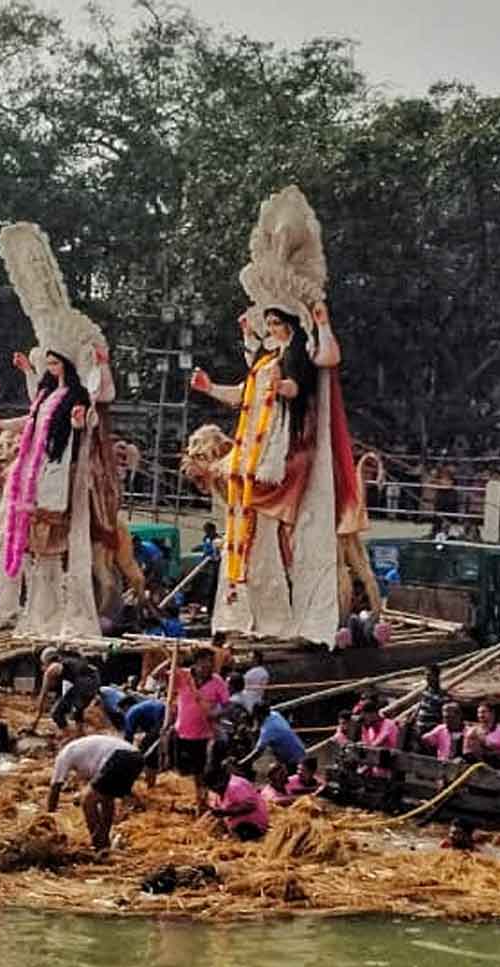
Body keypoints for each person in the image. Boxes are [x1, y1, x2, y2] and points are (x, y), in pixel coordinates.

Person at [185, 188, 377, 644]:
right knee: (247, 542)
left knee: (264, 544)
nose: (270, 332)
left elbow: (323, 362)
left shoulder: (294, 360)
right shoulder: (261, 365)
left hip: (279, 460)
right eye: (267, 326)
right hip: (248, 459)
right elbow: (243, 400)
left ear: (289, 329)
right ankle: (244, 615)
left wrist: (321, 324)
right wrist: (210, 388)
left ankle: (277, 618)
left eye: (277, 327)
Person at [0, 221, 121, 637]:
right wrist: (0, 420)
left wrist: (98, 372)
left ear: (67, 365)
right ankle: (34, 610)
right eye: (47, 364)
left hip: (60, 476)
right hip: (31, 475)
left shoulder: (76, 397)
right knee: (34, 551)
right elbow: (31, 421)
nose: (50, 369)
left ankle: (62, 612)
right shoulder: (45, 395)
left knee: (53, 548)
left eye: (55, 364)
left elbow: (97, 403)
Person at [150, 649, 230, 810]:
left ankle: (201, 805)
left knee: (200, 773)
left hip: (203, 735)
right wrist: (173, 659)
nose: (207, 665)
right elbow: (155, 675)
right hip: (181, 732)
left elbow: (227, 705)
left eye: (210, 662)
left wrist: (216, 714)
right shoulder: (182, 675)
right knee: (175, 767)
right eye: (204, 661)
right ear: (196, 662)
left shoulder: (217, 682)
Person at [47, 734, 144, 852]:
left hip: (120, 756)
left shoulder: (63, 755)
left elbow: (55, 788)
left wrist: (47, 818)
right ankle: (104, 840)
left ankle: (97, 841)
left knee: (87, 801)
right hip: (136, 758)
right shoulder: (84, 752)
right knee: (107, 799)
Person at [32, 648, 101, 733]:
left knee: (56, 713)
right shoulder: (69, 661)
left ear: (45, 661)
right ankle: (80, 733)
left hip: (85, 684)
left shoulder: (52, 669)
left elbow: (43, 694)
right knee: (77, 712)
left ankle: (67, 734)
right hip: (94, 681)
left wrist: (36, 719)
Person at [206, 765, 269, 840]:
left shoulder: (235, 786)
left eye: (214, 787)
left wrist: (226, 812)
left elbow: (251, 805)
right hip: (237, 827)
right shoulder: (221, 789)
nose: (214, 790)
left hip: (252, 826)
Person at [242, 703, 306, 771]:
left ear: (260, 715)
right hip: (298, 749)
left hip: (291, 758)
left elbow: (258, 751)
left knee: (290, 777)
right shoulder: (275, 714)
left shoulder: (268, 729)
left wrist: (243, 762)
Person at [122, 695, 167, 786]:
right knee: (151, 748)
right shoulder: (141, 708)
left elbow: (128, 737)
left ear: (126, 707)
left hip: (162, 715)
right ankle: (150, 777)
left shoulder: (130, 713)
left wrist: (126, 756)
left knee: (146, 749)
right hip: (166, 711)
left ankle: (149, 780)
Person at [414, 666, 447, 735]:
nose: (427, 678)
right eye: (426, 675)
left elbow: (444, 715)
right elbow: (420, 706)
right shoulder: (425, 691)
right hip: (419, 728)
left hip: (431, 731)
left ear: (436, 677)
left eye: (429, 675)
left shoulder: (442, 695)